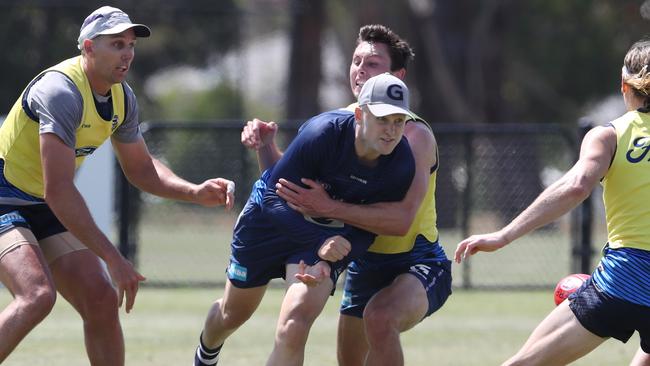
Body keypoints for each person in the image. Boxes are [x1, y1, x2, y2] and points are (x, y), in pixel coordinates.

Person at [0, 6, 234, 366]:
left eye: (130, 44)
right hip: (6, 199)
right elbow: (59, 190)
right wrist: (113, 257)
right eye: (116, 44)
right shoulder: (61, 92)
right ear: (89, 48)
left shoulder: (122, 98)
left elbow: (140, 168)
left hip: (42, 202)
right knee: (37, 296)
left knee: (100, 298)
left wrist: (193, 191)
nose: (127, 53)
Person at [241, 24, 452, 366]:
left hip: (415, 260)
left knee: (381, 319)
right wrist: (267, 149)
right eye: (356, 62)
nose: (361, 71)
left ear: (398, 76)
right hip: (358, 257)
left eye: (373, 64)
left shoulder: (412, 136)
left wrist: (330, 208)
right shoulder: (339, 125)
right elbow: (295, 191)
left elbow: (400, 221)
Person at [194, 73, 416, 366]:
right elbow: (273, 199)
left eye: (398, 122)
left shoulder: (401, 164)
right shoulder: (323, 133)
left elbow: (369, 228)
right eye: (383, 120)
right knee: (231, 315)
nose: (391, 131)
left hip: (319, 241)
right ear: (360, 114)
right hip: (268, 225)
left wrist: (329, 261)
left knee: (293, 326)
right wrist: (322, 242)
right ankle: (206, 353)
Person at [454, 39, 650, 366]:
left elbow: (576, 186)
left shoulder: (611, 135)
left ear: (624, 86)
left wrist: (504, 235)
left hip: (624, 281)